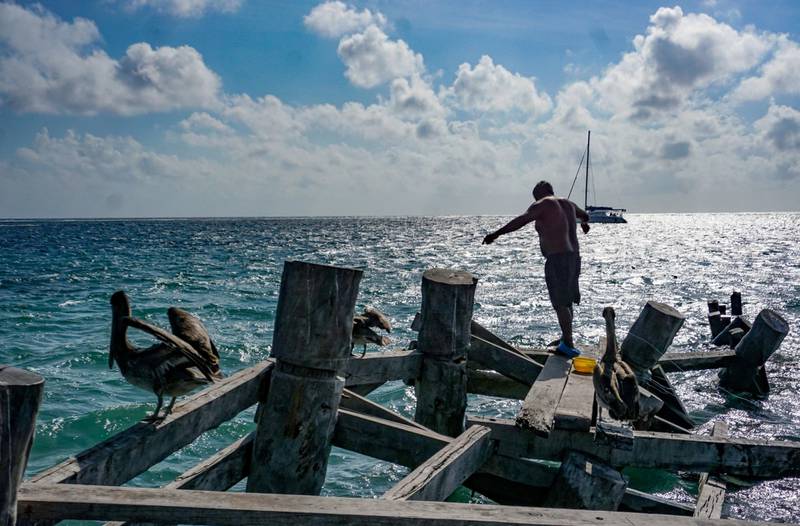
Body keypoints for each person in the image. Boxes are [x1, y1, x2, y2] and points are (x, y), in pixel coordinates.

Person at [482, 181, 590, 357]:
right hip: (574, 257)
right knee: (567, 300)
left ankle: (568, 344)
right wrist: (584, 223)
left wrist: (496, 233)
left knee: (560, 302)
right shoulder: (569, 204)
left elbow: (521, 220)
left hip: (558, 258)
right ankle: (566, 339)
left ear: (539, 194)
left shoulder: (542, 204)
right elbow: (585, 215)